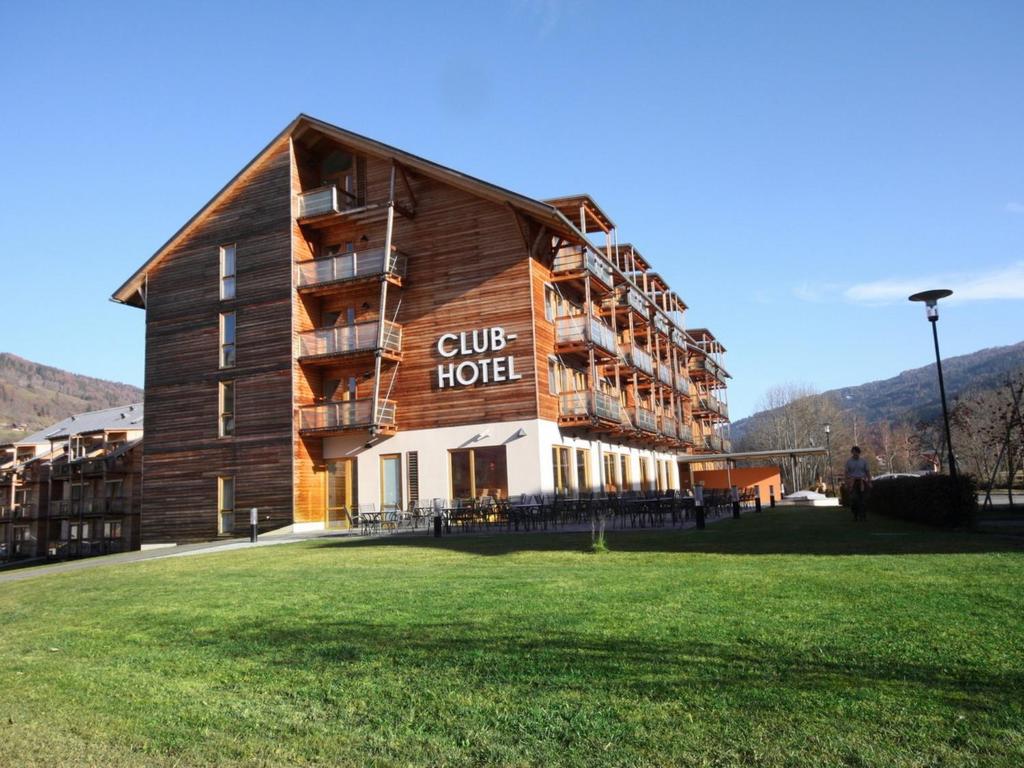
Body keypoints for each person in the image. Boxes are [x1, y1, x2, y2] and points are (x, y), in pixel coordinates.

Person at [844, 446, 871, 520]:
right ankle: (855, 515)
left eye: (856, 452)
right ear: (852, 452)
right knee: (854, 499)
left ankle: (863, 515)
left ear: (859, 453)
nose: (854, 453)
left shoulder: (863, 461)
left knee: (863, 499)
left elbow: (867, 472)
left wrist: (869, 481)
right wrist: (847, 483)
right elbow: (846, 473)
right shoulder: (849, 462)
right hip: (853, 482)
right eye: (853, 452)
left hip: (862, 481)